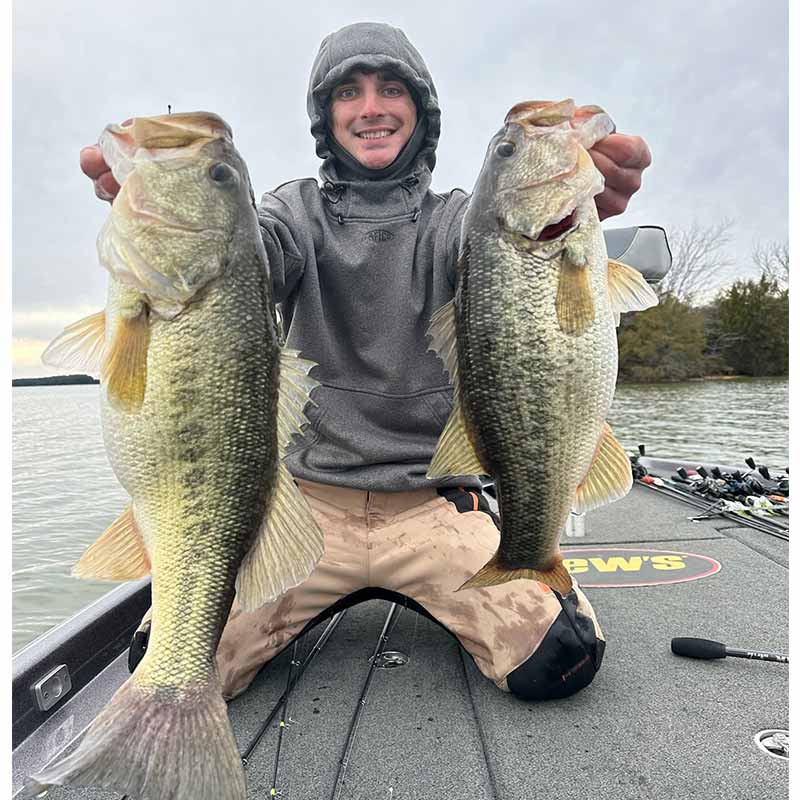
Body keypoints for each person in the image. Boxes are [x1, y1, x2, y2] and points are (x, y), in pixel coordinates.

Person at [81, 22, 655, 702]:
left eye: (391, 88)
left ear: (422, 108)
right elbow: (250, 264)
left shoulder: (463, 220)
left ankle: (508, 562)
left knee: (558, 661)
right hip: (304, 509)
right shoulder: (291, 213)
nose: (371, 107)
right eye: (347, 93)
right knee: (175, 660)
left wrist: (582, 201)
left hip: (432, 505)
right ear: (325, 118)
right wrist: (174, 220)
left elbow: (512, 278)